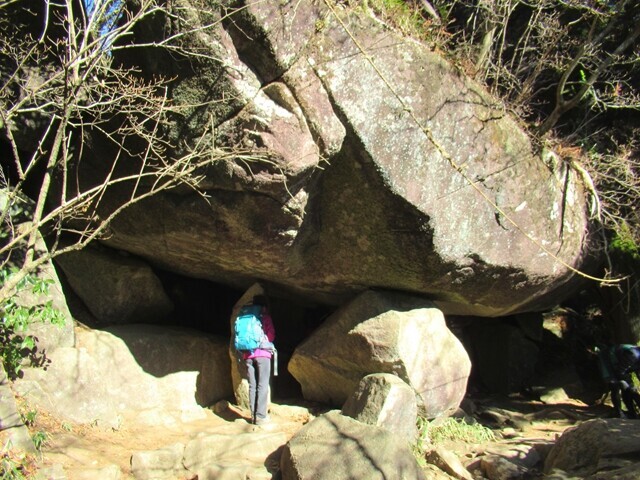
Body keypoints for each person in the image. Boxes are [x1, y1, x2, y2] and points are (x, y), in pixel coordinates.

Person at [241, 295, 275, 425]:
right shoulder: (265, 317)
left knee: (252, 385)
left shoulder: (246, 317)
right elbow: (271, 336)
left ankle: (253, 416)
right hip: (262, 354)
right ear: (265, 306)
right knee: (263, 384)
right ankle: (261, 416)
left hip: (248, 355)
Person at [596, 344, 640, 418]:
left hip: (621, 365)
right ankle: (618, 412)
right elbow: (620, 372)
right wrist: (631, 387)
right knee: (615, 384)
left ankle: (632, 413)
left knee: (628, 389)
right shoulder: (633, 355)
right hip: (608, 359)